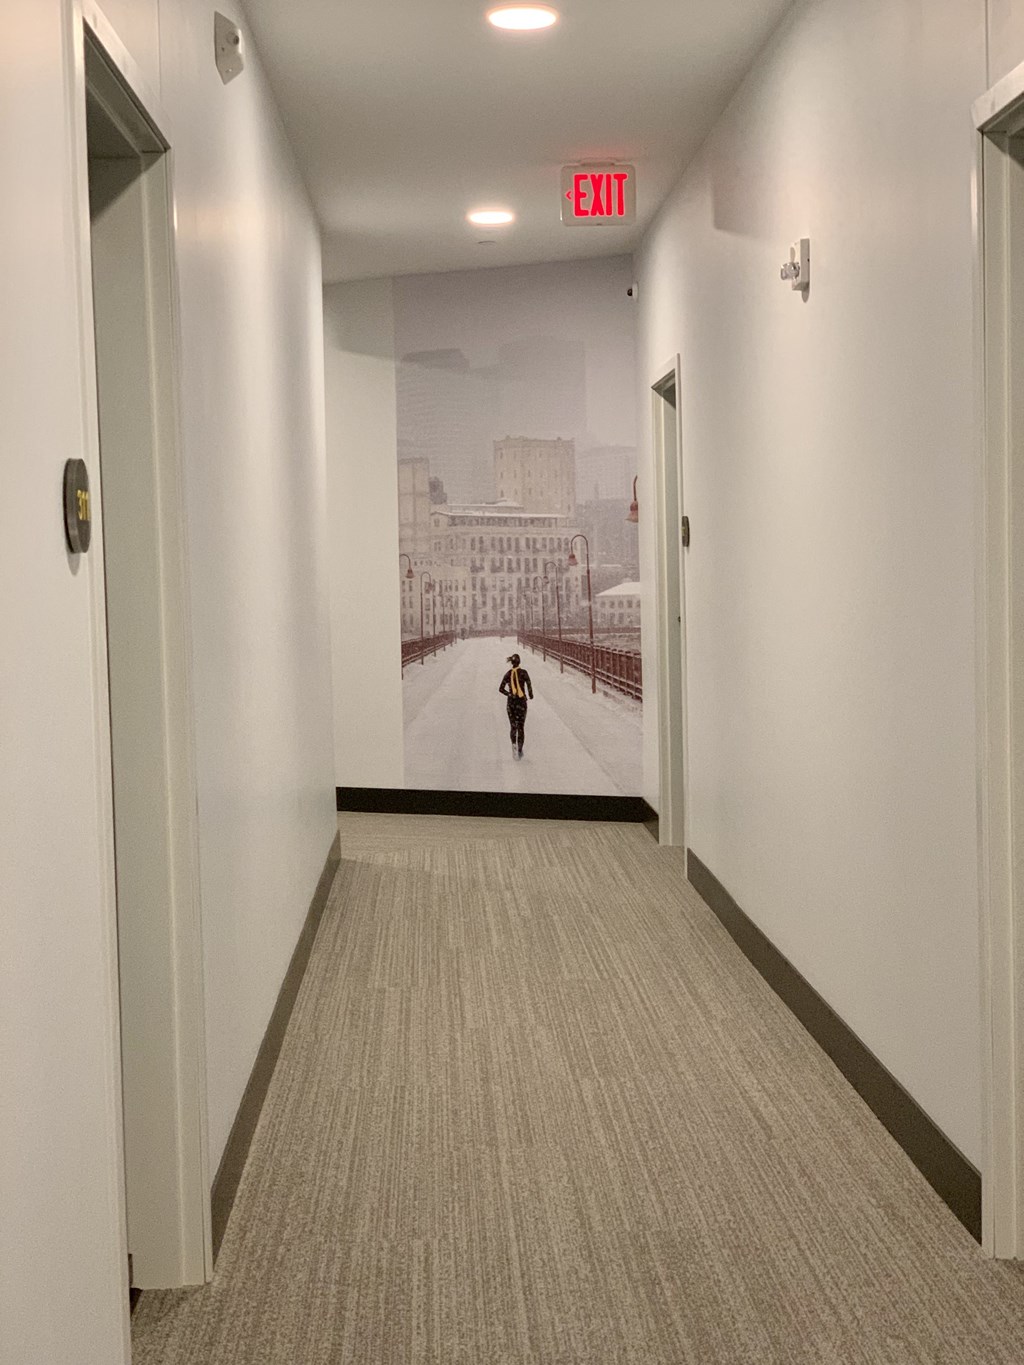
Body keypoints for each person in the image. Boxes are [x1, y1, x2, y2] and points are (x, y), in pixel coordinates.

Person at [498, 653, 534, 759]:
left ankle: (513, 744)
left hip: (511, 703)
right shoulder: (524, 673)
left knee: (513, 726)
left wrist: (509, 694)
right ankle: (520, 749)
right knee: (521, 727)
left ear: (512, 663)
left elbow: (501, 688)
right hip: (521, 703)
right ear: (519, 662)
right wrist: (530, 695)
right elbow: (529, 684)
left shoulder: (508, 674)